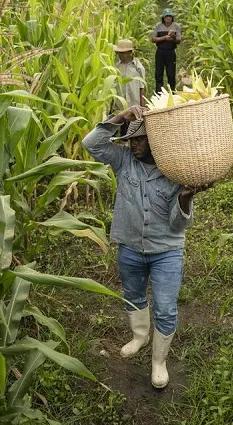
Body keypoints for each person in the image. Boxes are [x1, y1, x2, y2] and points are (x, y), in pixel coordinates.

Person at [81, 105, 208, 389]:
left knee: (165, 308)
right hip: (130, 246)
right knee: (133, 295)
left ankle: (159, 361)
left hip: (166, 251)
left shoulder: (175, 172)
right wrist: (122, 118)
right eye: (130, 140)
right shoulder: (124, 160)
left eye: (139, 139)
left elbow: (178, 226)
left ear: (156, 141)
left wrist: (186, 197)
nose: (133, 144)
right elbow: (90, 143)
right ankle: (140, 336)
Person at [113, 39, 146, 136]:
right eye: (119, 53)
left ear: (130, 52)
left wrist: (142, 105)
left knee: (131, 131)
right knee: (118, 126)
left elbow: (142, 86)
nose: (121, 55)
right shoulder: (116, 66)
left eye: (124, 53)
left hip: (133, 103)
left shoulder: (138, 67)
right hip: (119, 104)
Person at [151, 8, 182, 94]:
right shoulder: (158, 26)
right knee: (158, 74)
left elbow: (179, 40)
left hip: (171, 52)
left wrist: (173, 37)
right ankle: (159, 93)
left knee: (171, 74)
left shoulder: (176, 26)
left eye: (170, 16)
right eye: (166, 16)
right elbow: (153, 39)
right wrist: (164, 38)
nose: (168, 18)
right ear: (163, 18)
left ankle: (172, 93)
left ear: (172, 17)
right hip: (160, 52)